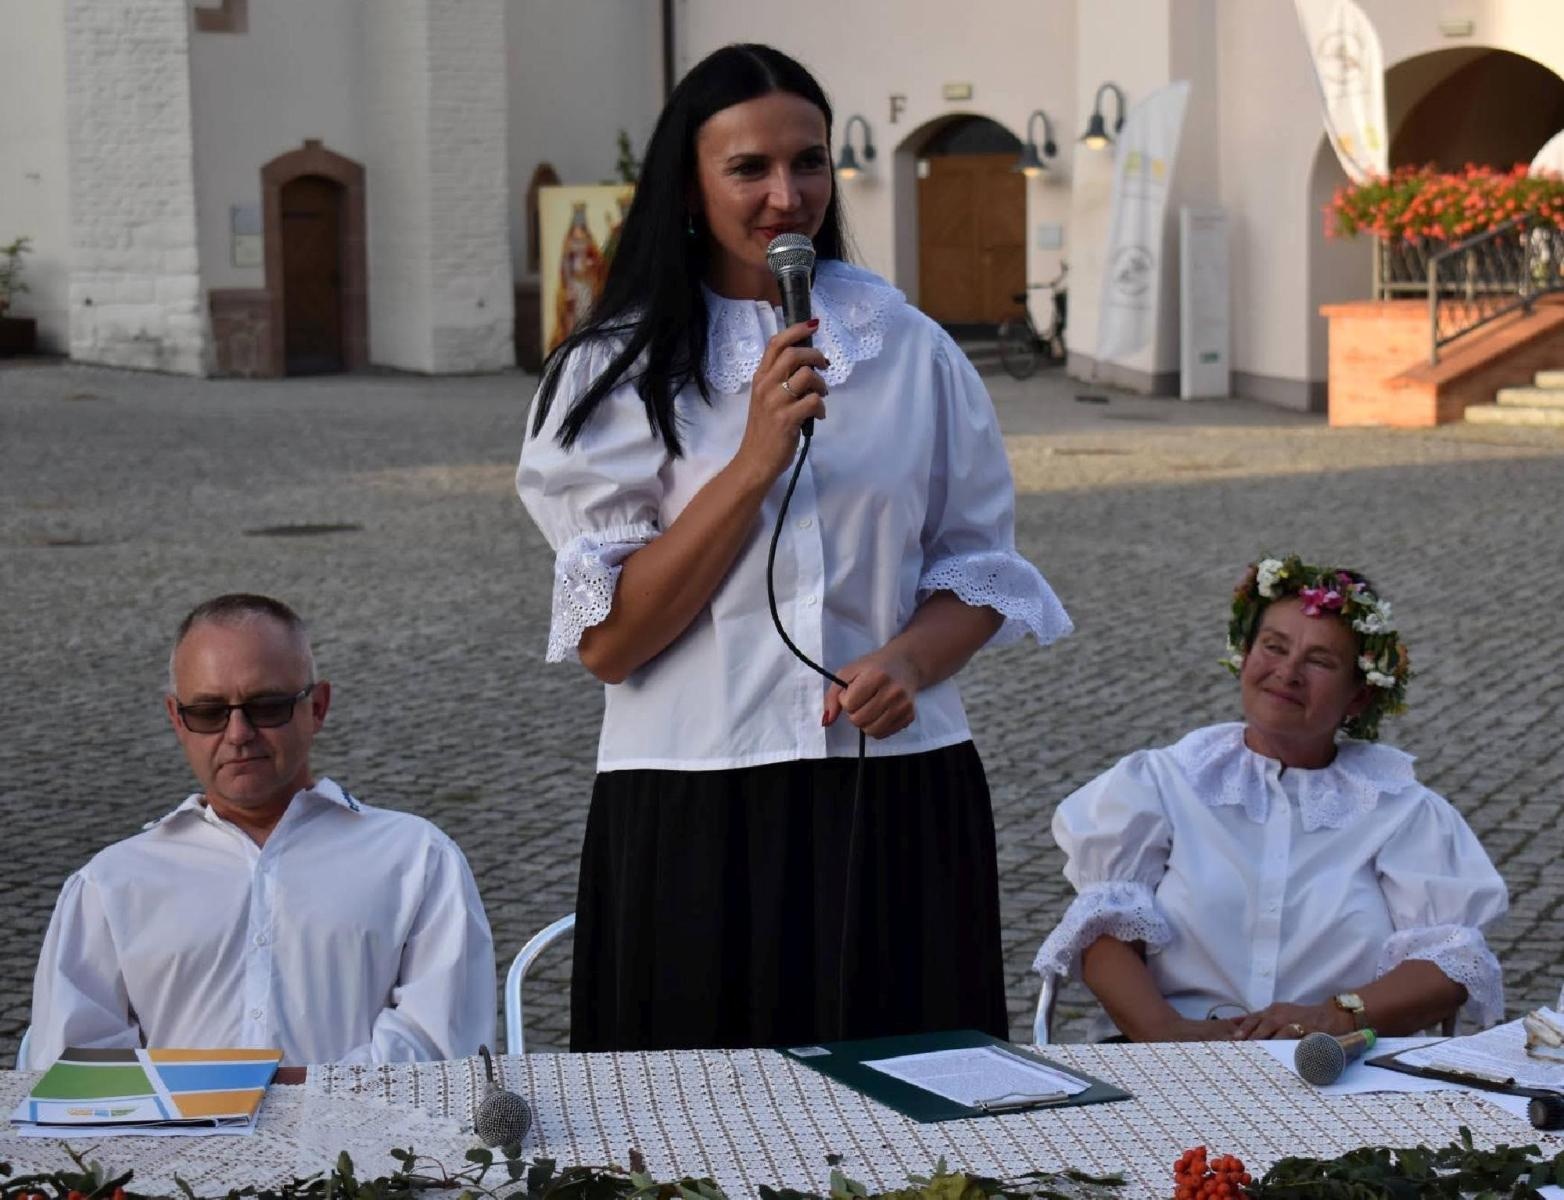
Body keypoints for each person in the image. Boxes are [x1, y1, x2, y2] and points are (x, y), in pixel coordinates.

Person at [516, 43, 1072, 1051]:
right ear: (688, 183)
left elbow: (980, 569)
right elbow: (611, 645)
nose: (788, 195)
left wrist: (908, 658)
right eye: (749, 169)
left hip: (897, 792)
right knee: (696, 1132)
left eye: (808, 162)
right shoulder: (612, 373)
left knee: (911, 1116)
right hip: (693, 799)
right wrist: (752, 461)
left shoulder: (910, 349)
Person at [1033, 555, 1508, 1043]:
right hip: (1171, 1055)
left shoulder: (1403, 811)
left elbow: (1450, 962)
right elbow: (1104, 929)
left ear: (1358, 698)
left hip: (1337, 1065)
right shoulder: (1161, 782)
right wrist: (1172, 1035)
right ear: (1245, 654)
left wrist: (1331, 1017)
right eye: (1274, 647)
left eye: (1320, 661)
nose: (1288, 672)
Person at [25, 594, 495, 1072]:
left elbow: (444, 1052)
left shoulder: (417, 858)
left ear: (318, 707)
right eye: (208, 713)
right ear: (176, 719)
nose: (237, 733)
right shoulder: (109, 883)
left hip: (368, 1144)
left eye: (266, 707)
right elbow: (69, 1070)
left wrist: (255, 1096)